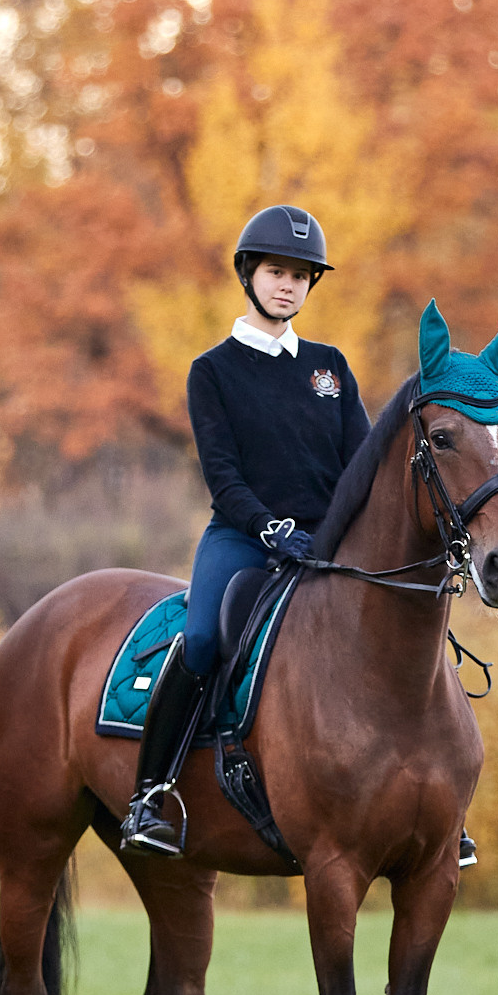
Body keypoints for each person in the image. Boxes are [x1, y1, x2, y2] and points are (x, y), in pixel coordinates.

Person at [117, 204, 366, 856]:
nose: (289, 285)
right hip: (242, 536)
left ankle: (433, 797)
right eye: (277, 272)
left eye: (302, 276)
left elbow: (361, 466)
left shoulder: (330, 367)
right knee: (201, 636)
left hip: (325, 543)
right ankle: (153, 793)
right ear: (249, 274)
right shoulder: (214, 370)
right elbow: (223, 476)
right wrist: (269, 527)